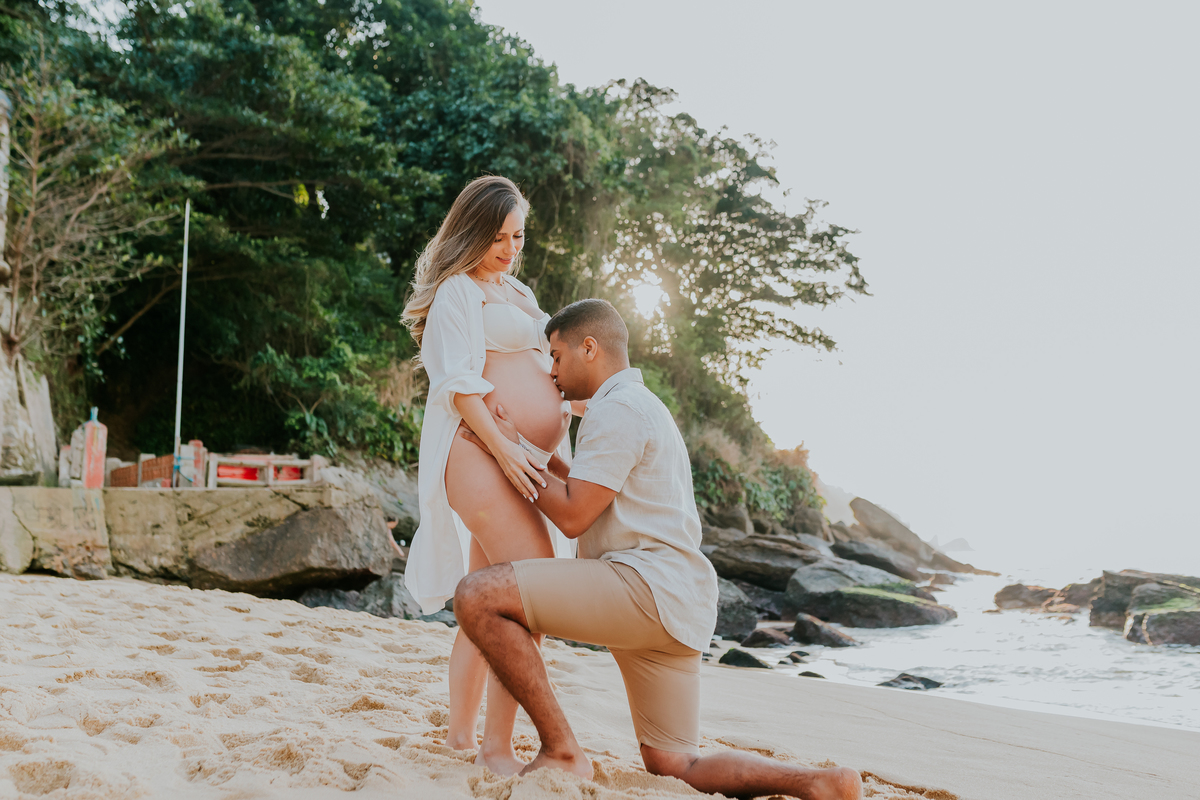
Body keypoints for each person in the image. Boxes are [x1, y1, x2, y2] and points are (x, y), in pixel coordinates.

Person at [454, 299, 863, 800]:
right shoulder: (641, 406)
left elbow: (574, 514)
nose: (553, 373)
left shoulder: (616, 409)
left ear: (590, 347)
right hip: (680, 604)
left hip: (642, 587)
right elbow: (587, 487)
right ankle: (819, 783)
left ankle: (560, 748)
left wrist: (508, 453)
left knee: (477, 595)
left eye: (557, 357)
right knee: (676, 763)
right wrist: (526, 447)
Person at [400, 176, 579, 775]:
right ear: (472, 231)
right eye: (497, 236)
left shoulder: (518, 290)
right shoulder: (457, 291)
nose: (508, 248)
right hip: (480, 453)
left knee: (484, 598)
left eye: (517, 236)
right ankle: (497, 749)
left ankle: (459, 736)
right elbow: (456, 384)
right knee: (528, 595)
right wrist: (505, 450)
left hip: (518, 453)